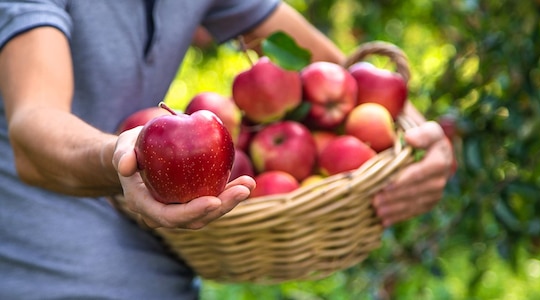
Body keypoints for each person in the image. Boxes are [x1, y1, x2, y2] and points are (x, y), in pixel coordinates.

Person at [0, 0, 453, 298]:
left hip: (158, 265)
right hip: (41, 266)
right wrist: (124, 161)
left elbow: (333, 72)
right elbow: (32, 129)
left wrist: (416, 131)